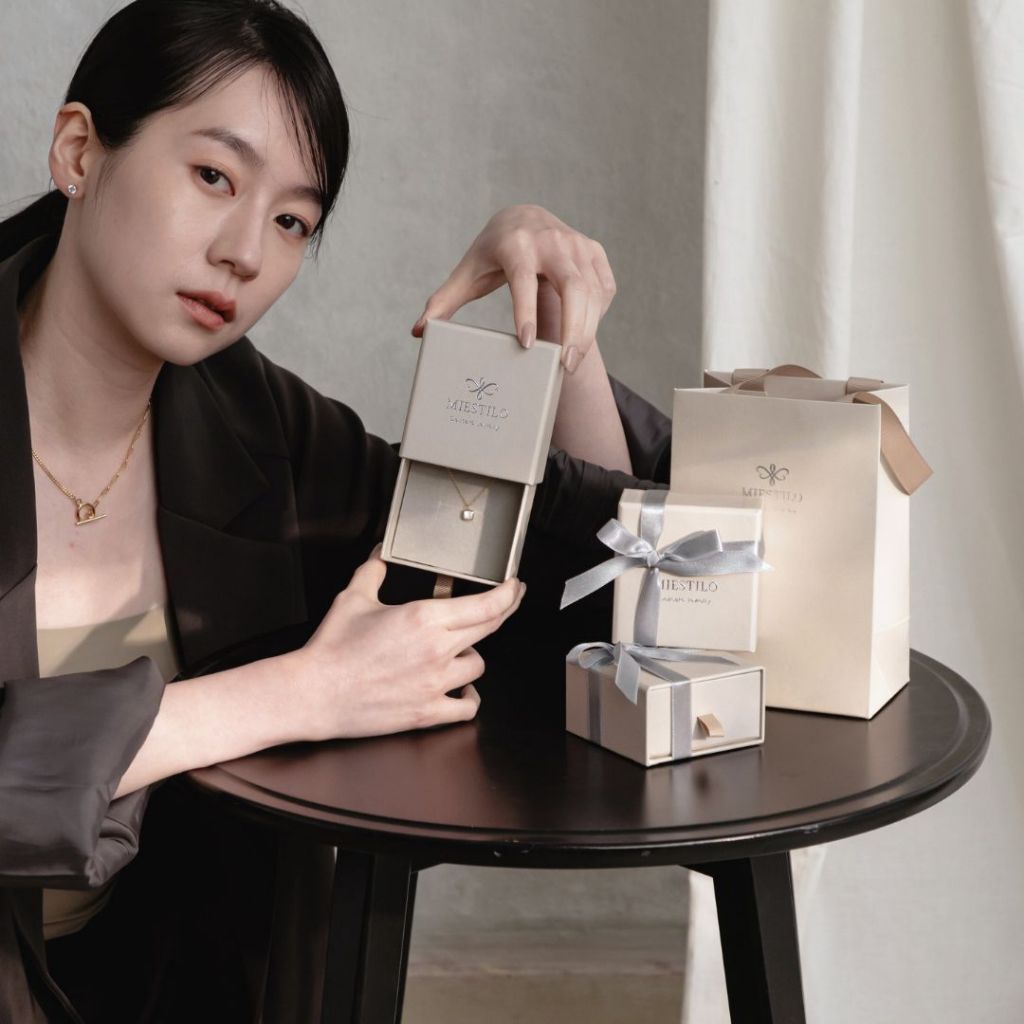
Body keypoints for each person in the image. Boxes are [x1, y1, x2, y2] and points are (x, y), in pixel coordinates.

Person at [0, 1, 673, 1020]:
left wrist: (558, 333)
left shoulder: (253, 424)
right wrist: (297, 694)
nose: (244, 251)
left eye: (292, 222)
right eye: (213, 176)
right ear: (80, 151)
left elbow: (573, 584)